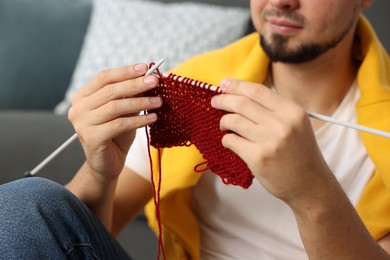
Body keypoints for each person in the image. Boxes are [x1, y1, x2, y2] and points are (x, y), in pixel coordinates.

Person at [1, 0, 389, 259]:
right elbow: (72, 237)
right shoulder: (193, 85)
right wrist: (101, 170)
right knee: (26, 203)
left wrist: (312, 194)